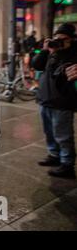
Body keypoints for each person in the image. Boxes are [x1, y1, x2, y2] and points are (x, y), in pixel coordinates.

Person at [32, 23, 77, 179]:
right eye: (57, 38)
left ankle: (67, 164)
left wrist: (65, 50)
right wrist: (46, 50)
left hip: (63, 101)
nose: (59, 41)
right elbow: (36, 65)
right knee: (49, 132)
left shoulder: (74, 52)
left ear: (71, 39)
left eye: (63, 39)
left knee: (63, 134)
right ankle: (54, 155)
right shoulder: (52, 51)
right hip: (46, 98)